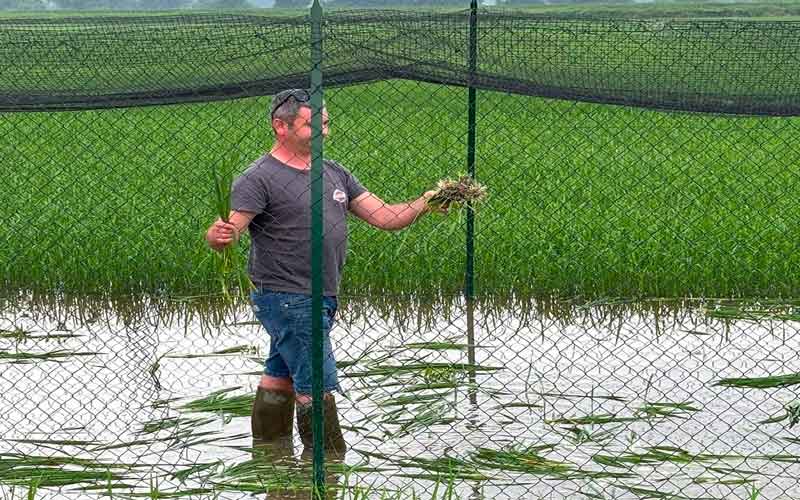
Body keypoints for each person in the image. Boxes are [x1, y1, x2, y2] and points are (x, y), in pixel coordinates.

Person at [205, 88, 442, 455]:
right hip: (287, 295)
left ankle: (270, 460)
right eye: (313, 126)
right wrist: (216, 236)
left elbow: (386, 217)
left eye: (327, 125)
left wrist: (428, 202)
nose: (324, 133)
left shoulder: (334, 173)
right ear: (280, 127)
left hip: (322, 293)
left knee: (280, 375)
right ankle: (328, 468)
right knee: (315, 385)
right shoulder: (259, 177)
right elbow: (229, 230)